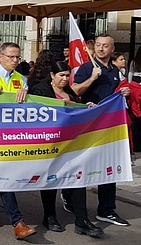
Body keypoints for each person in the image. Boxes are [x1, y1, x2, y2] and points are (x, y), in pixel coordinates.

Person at [29, 61, 104, 238]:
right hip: (50, 144)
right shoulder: (41, 90)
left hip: (71, 144)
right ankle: (49, 216)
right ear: (52, 75)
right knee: (51, 179)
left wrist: (87, 108)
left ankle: (82, 220)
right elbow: (38, 112)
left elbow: (76, 111)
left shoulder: (70, 91)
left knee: (78, 179)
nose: (64, 79)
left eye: (67, 75)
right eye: (61, 75)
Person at [0, 42, 36, 240]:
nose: (15, 61)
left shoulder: (21, 78)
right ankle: (17, 222)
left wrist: (26, 95)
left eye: (18, 57)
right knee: (4, 177)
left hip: (11, 136)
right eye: (11, 57)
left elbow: (26, 108)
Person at [70, 33, 130, 226]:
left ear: (112, 49)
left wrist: (124, 92)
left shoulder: (115, 70)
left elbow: (113, 94)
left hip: (108, 124)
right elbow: (75, 91)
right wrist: (91, 79)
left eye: (105, 46)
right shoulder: (87, 68)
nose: (101, 48)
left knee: (108, 166)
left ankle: (106, 209)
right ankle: (68, 195)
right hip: (87, 125)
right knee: (82, 165)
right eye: (98, 45)